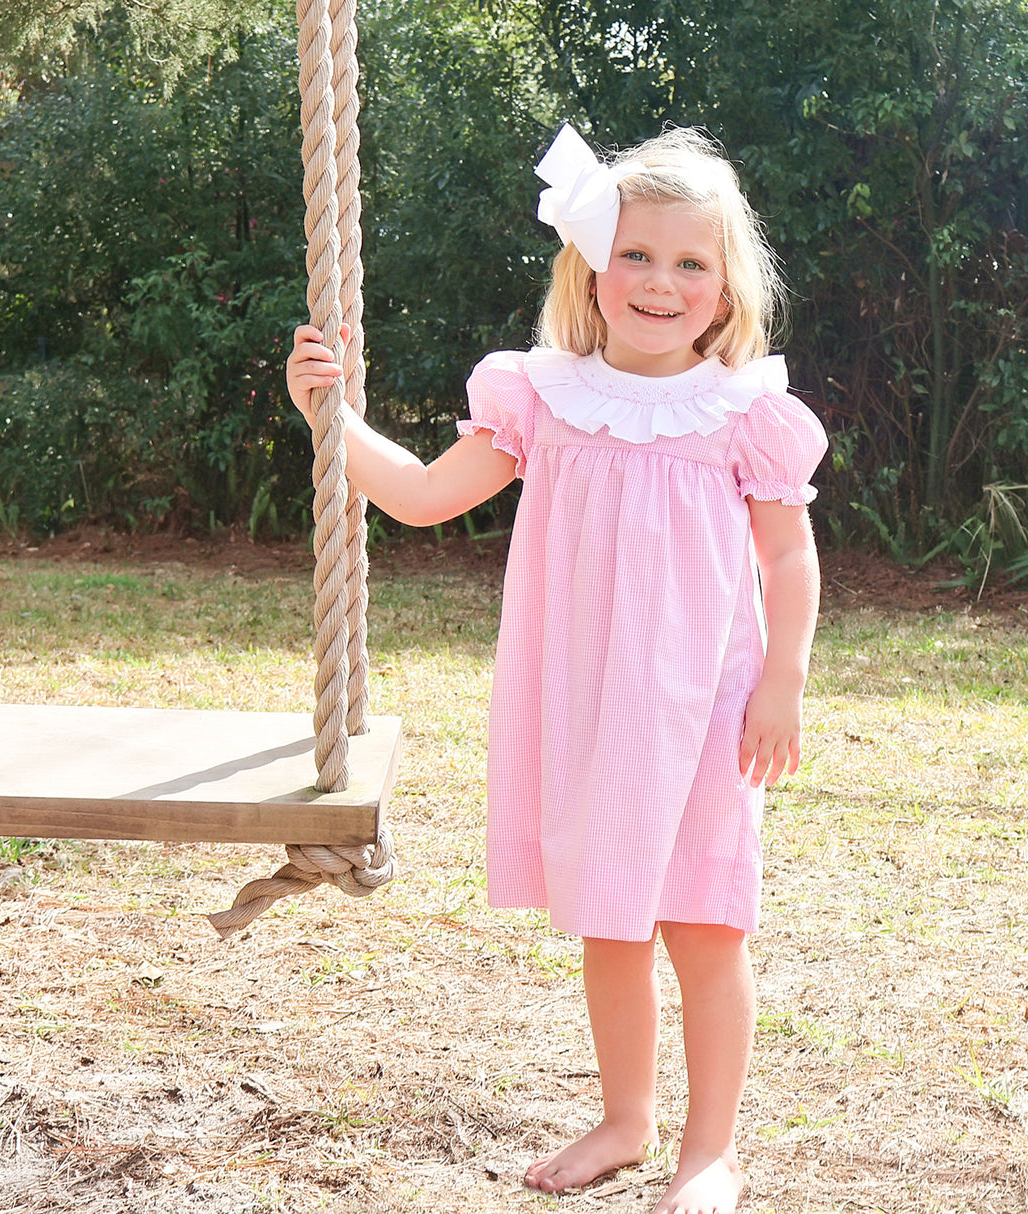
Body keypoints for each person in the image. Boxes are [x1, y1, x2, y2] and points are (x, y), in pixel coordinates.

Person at [287, 123, 827, 1214]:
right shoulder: (543, 394)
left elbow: (788, 551)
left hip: (705, 705)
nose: (659, 282)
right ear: (589, 263)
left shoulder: (741, 413)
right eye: (634, 254)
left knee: (706, 924)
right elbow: (424, 493)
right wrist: (328, 415)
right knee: (613, 918)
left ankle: (709, 1148)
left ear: (723, 291)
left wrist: (782, 682)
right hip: (589, 705)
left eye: (688, 263)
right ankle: (625, 1116)